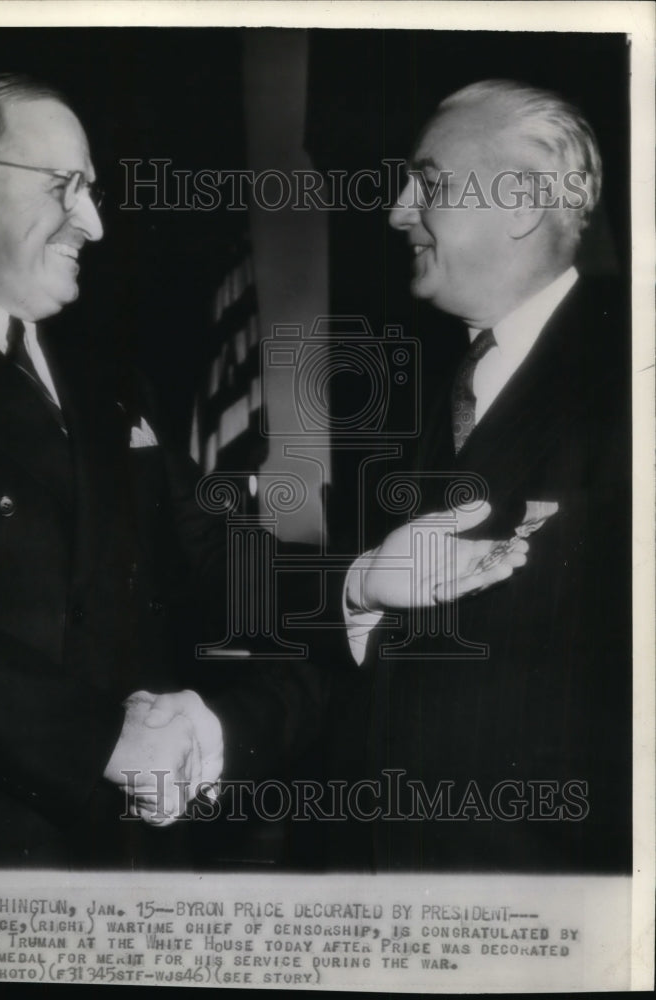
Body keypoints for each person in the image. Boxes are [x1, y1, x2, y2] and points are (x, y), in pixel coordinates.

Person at [0, 73, 326, 868]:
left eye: (92, 191)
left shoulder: (113, 384)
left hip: (139, 854)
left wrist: (360, 582)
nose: (92, 223)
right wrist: (104, 740)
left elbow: (214, 551)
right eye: (66, 188)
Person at [334, 80, 630, 872]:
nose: (397, 210)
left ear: (524, 205)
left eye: (426, 182)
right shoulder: (423, 398)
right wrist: (362, 601)